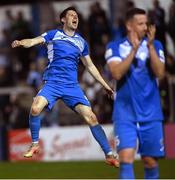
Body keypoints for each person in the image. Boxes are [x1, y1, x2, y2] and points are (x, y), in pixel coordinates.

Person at [11, 6, 119, 168]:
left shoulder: (81, 42)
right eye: (71, 15)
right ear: (63, 19)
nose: (75, 18)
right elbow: (34, 41)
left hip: (72, 87)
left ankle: (109, 154)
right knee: (35, 109)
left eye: (77, 16)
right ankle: (34, 144)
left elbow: (90, 66)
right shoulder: (54, 34)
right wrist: (21, 42)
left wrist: (105, 85)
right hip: (52, 84)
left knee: (91, 117)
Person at [105, 8, 165, 178]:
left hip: (151, 114)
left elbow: (160, 73)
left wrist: (151, 47)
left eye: (146, 23)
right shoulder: (115, 46)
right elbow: (116, 73)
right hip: (125, 114)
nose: (145, 27)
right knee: (125, 159)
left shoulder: (156, 45)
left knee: (150, 161)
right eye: (140, 23)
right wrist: (134, 50)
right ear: (129, 25)